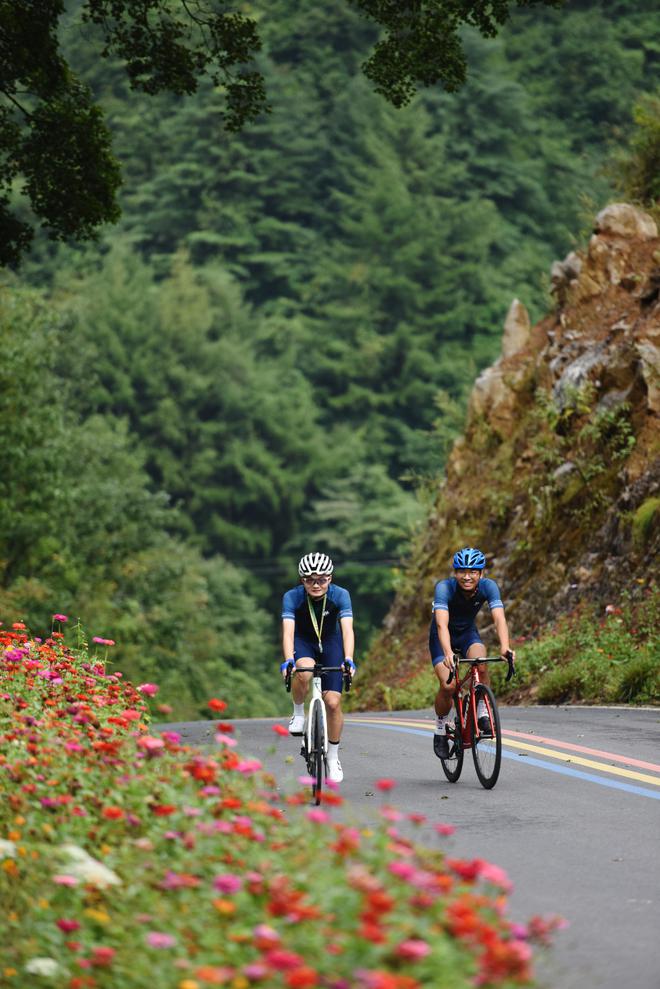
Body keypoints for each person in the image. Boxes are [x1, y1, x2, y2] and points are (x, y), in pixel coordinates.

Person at [429, 547, 515, 759]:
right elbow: (441, 625)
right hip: (442, 638)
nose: (467, 577)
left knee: (481, 663)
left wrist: (505, 646)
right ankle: (440, 729)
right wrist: (448, 652)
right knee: (448, 686)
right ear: (455, 572)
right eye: (462, 571)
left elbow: (499, 618)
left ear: (481, 573)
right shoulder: (444, 588)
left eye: (473, 572)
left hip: (467, 634)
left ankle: (483, 712)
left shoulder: (489, 587)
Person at [280, 552, 356, 783]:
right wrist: (288, 660)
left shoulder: (341, 595)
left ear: (330, 578)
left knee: (333, 702)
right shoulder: (292, 597)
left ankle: (332, 756)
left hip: (330, 643)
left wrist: (349, 658)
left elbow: (347, 630)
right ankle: (297, 712)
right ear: (302, 580)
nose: (316, 584)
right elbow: (288, 632)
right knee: (304, 670)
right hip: (304, 642)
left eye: (322, 579)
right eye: (310, 579)